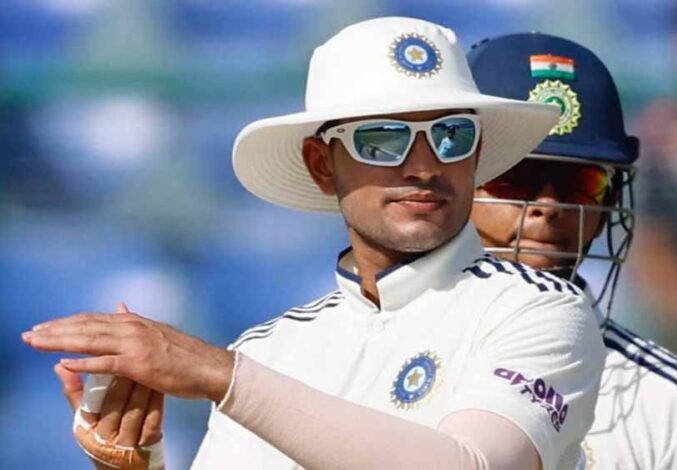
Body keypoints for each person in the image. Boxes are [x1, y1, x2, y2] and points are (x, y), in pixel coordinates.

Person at [24, 18, 606, 470]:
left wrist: (223, 376)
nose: (425, 166)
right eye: (383, 139)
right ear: (321, 165)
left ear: (476, 154)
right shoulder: (271, 352)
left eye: (452, 135)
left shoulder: (538, 308)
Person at [467, 32, 677, 469]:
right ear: (454, 183)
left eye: (580, 183)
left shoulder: (676, 410)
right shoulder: (367, 348)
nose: (548, 206)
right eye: (514, 176)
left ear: (610, 203)